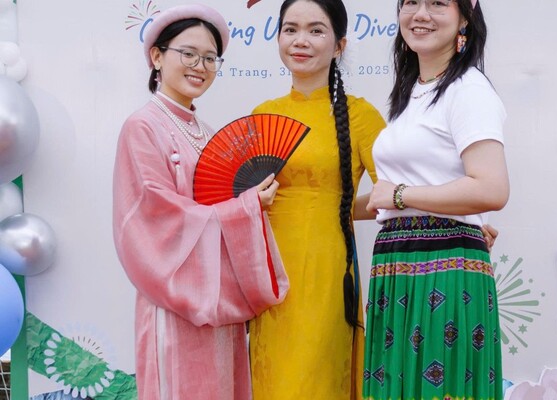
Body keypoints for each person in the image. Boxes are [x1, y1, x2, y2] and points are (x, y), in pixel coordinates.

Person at [112, 4, 289, 399]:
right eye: (188, 53)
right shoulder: (142, 126)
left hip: (219, 304)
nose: (200, 66)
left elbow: (219, 209)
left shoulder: (207, 132)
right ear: (157, 56)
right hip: (173, 300)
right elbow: (153, 217)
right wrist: (244, 209)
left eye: (210, 58)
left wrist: (250, 206)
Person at [363, 0, 509, 399]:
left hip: (442, 270)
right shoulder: (413, 92)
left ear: (465, 18)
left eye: (438, 3)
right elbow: (405, 191)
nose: (421, 14)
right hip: (398, 267)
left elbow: (492, 188)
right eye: (411, 2)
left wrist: (399, 195)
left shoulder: (469, 90)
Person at [247, 0, 387, 399]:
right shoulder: (262, 114)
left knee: (315, 380)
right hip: (268, 277)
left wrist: (464, 220)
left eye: (316, 30)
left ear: (339, 45)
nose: (300, 40)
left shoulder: (361, 115)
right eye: (290, 29)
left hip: (327, 273)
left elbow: (395, 194)